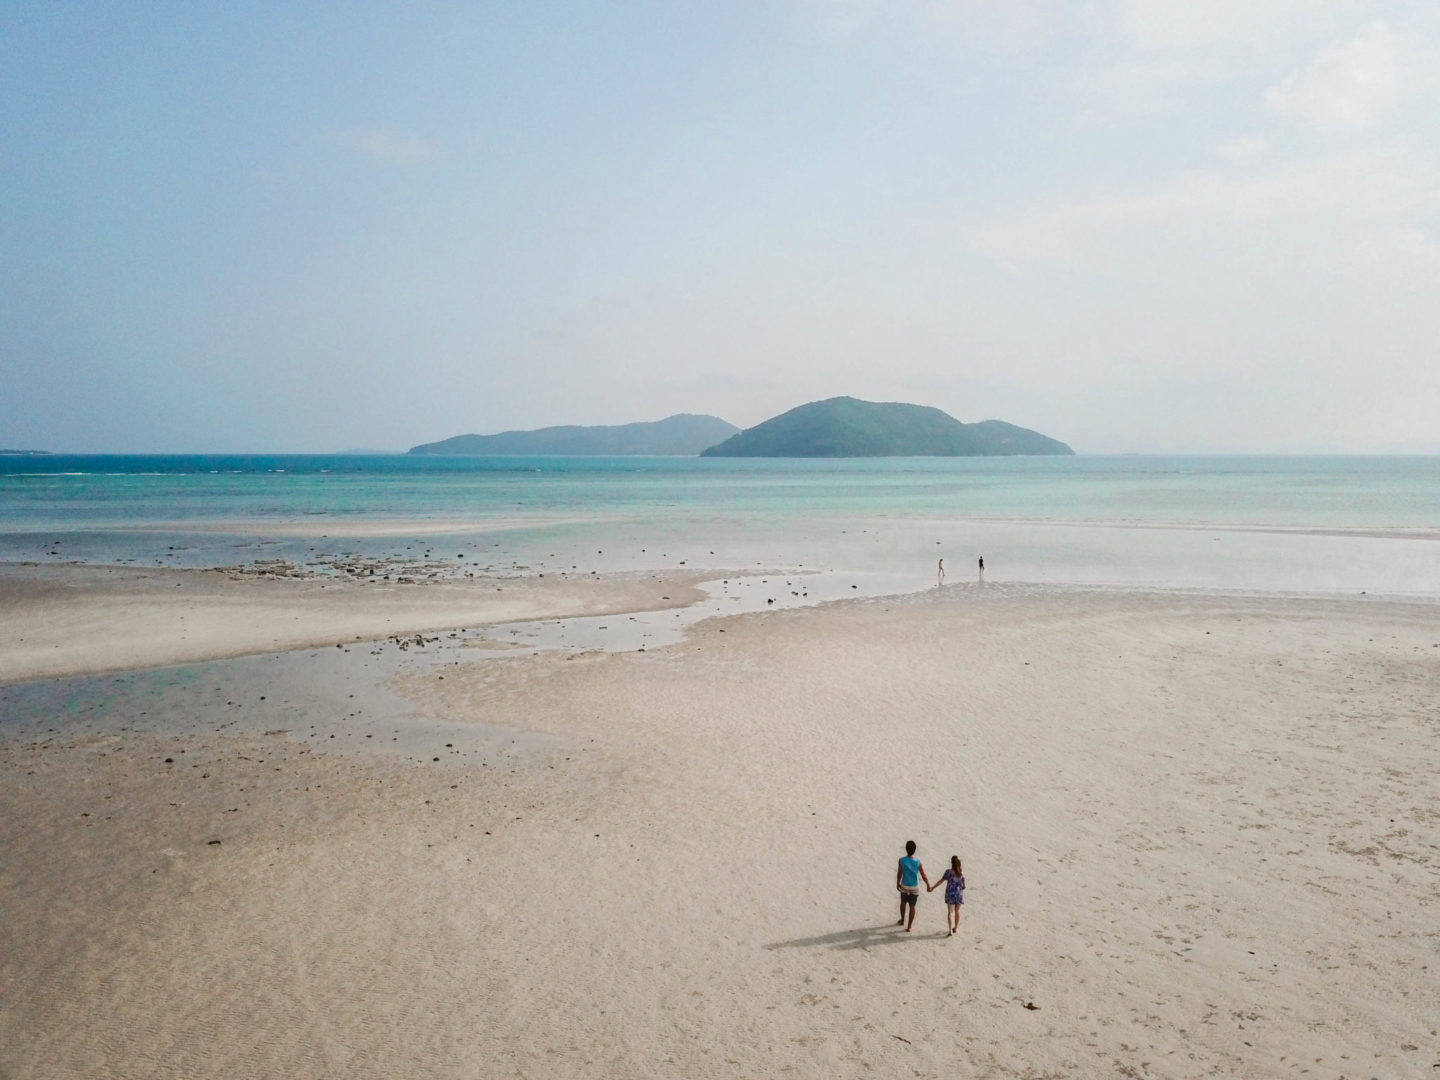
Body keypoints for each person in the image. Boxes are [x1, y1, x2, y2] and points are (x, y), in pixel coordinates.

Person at [896, 841, 930, 931]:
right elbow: (923, 875)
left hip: (904, 886)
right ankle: (909, 926)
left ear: (906, 849)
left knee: (903, 903)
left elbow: (899, 873)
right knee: (912, 906)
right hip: (914, 887)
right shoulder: (918, 862)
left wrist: (897, 883)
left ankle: (902, 920)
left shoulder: (901, 860)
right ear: (914, 850)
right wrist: (928, 884)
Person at [928, 855, 965, 935]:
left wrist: (933, 887)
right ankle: (955, 928)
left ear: (951, 863)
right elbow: (963, 885)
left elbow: (940, 881)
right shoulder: (961, 872)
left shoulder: (948, 872)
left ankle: (950, 931)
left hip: (950, 894)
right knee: (957, 911)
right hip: (959, 894)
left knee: (950, 912)